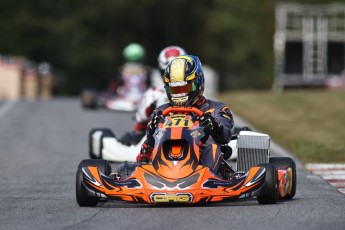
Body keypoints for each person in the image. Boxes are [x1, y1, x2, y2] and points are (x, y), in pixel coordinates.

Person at [136, 55, 234, 174]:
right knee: (150, 147)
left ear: (198, 82)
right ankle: (150, 177)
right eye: (175, 90)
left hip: (201, 165)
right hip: (164, 165)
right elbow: (151, 143)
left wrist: (214, 126)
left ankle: (209, 178)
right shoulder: (161, 111)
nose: (180, 94)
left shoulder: (216, 109)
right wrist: (151, 130)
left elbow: (225, 135)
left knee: (212, 148)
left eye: (185, 88)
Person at [119, 46, 187, 145]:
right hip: (157, 134)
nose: (173, 78)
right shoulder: (155, 93)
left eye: (177, 74)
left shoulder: (194, 92)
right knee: (129, 138)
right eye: (168, 74)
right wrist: (150, 110)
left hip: (189, 133)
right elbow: (141, 119)